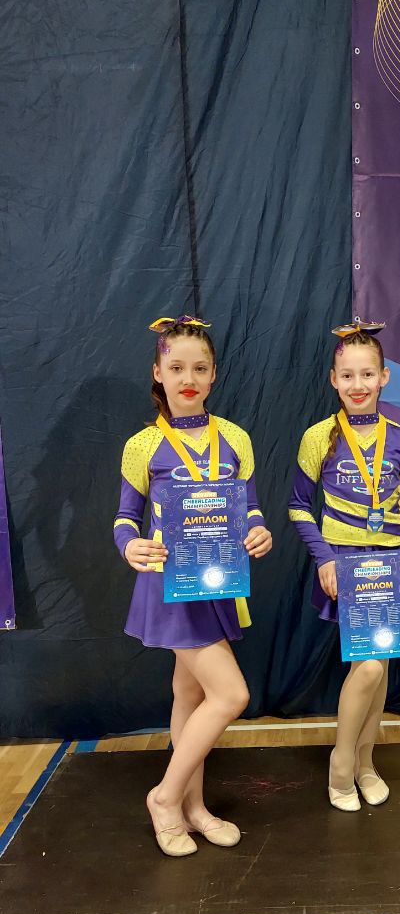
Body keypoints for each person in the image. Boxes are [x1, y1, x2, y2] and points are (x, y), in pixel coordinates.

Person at [114, 315, 272, 856]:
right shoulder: (142, 445)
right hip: (168, 586)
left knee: (191, 694)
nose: (188, 378)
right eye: (176, 367)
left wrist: (258, 531)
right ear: (157, 373)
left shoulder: (235, 438)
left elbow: (251, 508)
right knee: (232, 695)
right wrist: (128, 546)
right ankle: (164, 798)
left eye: (199, 368)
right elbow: (124, 519)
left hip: (217, 583)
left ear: (213, 375)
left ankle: (194, 808)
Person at [289, 319, 400, 811]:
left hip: (390, 563)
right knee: (367, 667)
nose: (358, 385)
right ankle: (342, 763)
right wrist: (324, 557)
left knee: (379, 669)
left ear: (384, 377)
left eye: (368, 375)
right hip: (344, 561)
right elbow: (298, 506)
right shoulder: (318, 436)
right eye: (348, 376)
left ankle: (366, 762)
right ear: (333, 379)